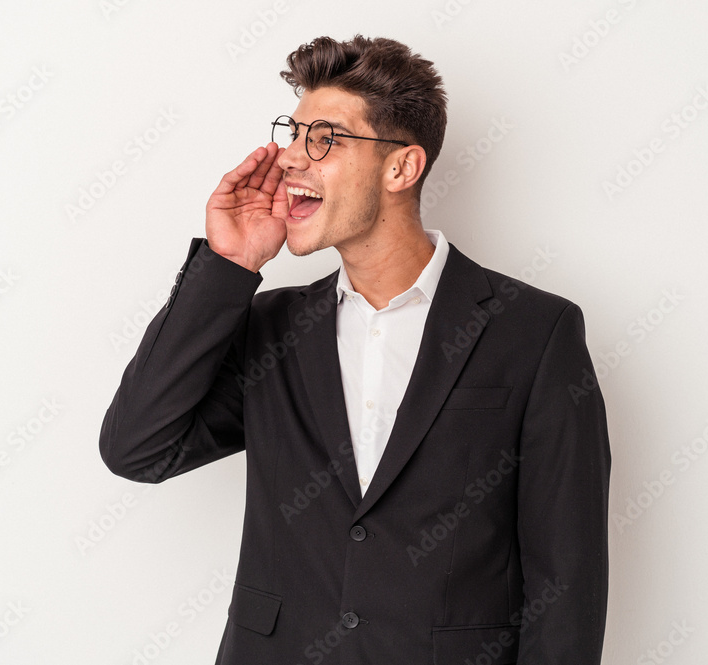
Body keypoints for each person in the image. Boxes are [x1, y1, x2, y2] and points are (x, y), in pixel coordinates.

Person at [100, 34, 611, 665]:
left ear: (402, 168)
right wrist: (228, 266)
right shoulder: (271, 329)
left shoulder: (534, 331)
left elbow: (567, 579)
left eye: (325, 139)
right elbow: (138, 449)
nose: (290, 158)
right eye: (293, 134)